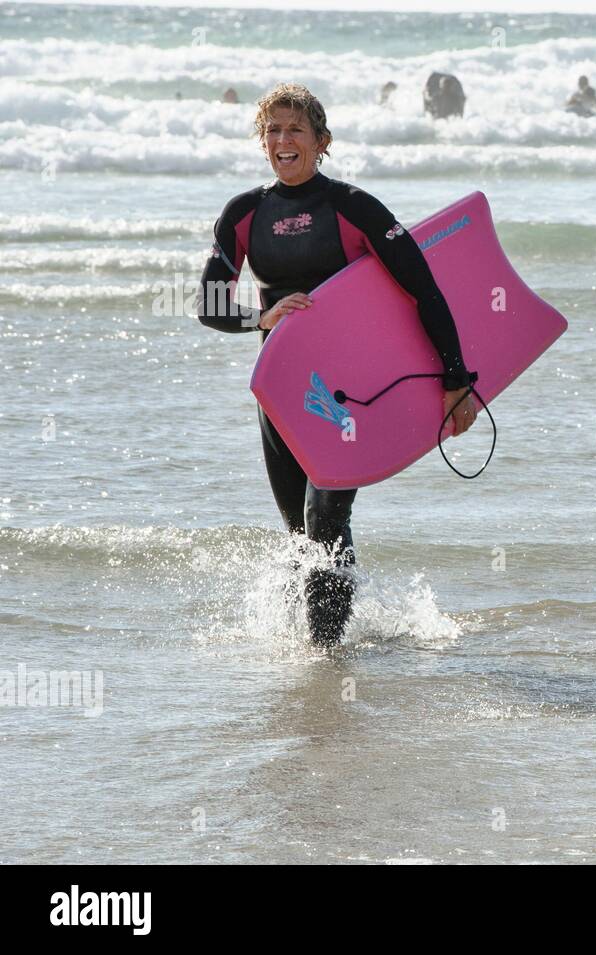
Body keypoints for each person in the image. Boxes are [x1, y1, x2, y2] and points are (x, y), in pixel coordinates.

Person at [196, 83, 478, 645]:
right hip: (281, 391)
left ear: (321, 141)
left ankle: (325, 657)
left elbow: (424, 291)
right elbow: (209, 306)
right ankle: (324, 648)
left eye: (295, 129)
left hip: (351, 390)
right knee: (302, 531)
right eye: (273, 130)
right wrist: (263, 316)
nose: (283, 139)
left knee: (325, 515)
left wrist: (456, 381)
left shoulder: (354, 207)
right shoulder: (245, 214)